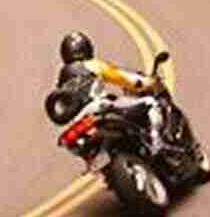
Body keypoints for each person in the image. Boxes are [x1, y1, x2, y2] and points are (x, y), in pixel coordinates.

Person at [56, 30, 193, 155]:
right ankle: (157, 141)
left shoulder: (62, 78)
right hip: (100, 108)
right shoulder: (92, 65)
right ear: (87, 48)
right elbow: (122, 79)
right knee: (151, 103)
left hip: (79, 122)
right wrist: (146, 82)